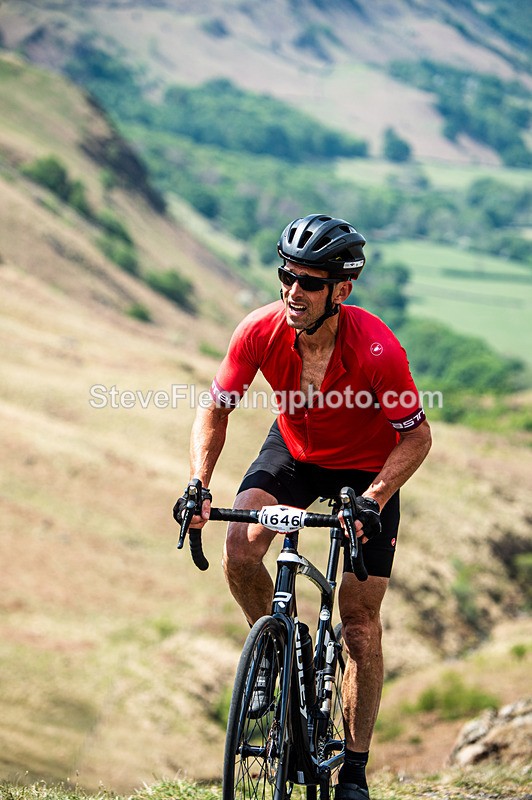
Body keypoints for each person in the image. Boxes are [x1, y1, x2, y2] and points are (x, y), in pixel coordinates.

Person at [174, 214, 432, 800]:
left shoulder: (376, 349)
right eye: (286, 275)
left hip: (366, 469)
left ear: (340, 290)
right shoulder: (259, 329)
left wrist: (372, 500)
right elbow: (216, 408)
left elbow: (417, 437)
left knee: (360, 625)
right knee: (239, 550)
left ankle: (356, 769)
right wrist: (199, 483)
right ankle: (272, 656)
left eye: (309, 281)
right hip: (295, 449)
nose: (292, 290)